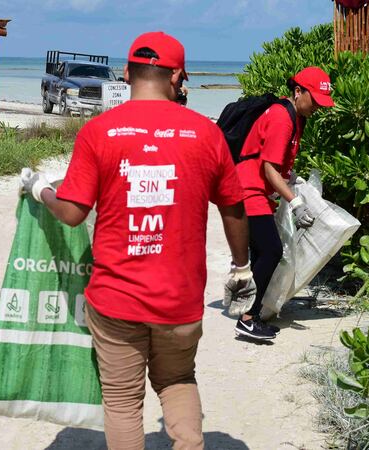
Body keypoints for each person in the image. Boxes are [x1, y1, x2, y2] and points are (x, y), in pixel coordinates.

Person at [21, 32, 254, 449]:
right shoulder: (206, 133)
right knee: (178, 380)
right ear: (178, 75)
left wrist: (41, 190)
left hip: (116, 301)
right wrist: (241, 267)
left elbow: (73, 213)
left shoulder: (98, 132)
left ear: (127, 72)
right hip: (179, 301)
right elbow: (234, 207)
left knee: (123, 401)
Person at [231, 66, 335, 341]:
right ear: (297, 91)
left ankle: (248, 310)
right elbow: (268, 169)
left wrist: (296, 180)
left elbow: (278, 167)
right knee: (271, 251)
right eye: (315, 100)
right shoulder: (282, 118)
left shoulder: (295, 117)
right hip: (247, 190)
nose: (317, 108)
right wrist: (296, 202)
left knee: (260, 254)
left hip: (255, 190)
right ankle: (248, 318)